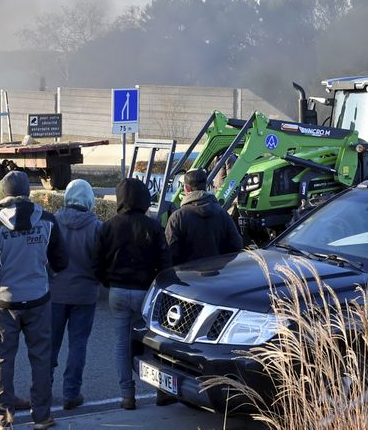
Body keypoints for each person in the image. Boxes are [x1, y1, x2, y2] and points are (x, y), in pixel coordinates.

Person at [0, 171, 66, 430]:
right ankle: (42, 416)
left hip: (5, 302)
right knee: (41, 359)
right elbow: (61, 262)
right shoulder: (48, 220)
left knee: (3, 359)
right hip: (39, 299)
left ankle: (2, 417)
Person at [92, 178, 171, 410]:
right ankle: (161, 391)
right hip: (145, 293)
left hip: (117, 291)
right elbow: (165, 263)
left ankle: (127, 395)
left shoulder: (108, 226)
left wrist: (108, 282)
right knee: (153, 343)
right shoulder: (153, 226)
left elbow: (96, 263)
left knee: (121, 344)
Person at [49, 179, 102, 410]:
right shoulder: (97, 226)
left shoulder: (53, 222)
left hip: (55, 292)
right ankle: (71, 392)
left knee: (50, 345)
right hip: (85, 294)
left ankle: (43, 388)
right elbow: (101, 262)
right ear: (89, 200)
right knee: (78, 345)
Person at [165, 168, 243, 266]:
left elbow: (169, 252)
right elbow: (237, 245)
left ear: (187, 188)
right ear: (205, 186)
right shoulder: (222, 214)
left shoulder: (177, 217)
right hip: (218, 272)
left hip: (188, 273)